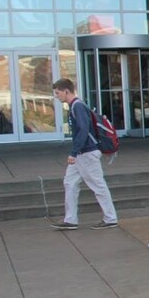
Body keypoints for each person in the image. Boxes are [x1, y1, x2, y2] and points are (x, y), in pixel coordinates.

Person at [50, 79, 118, 230]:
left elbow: (83, 129)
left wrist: (74, 152)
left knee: (97, 185)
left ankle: (110, 218)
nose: (56, 96)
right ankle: (70, 220)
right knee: (70, 183)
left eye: (58, 92)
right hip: (83, 153)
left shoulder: (77, 106)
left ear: (66, 91)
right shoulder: (76, 106)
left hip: (86, 153)